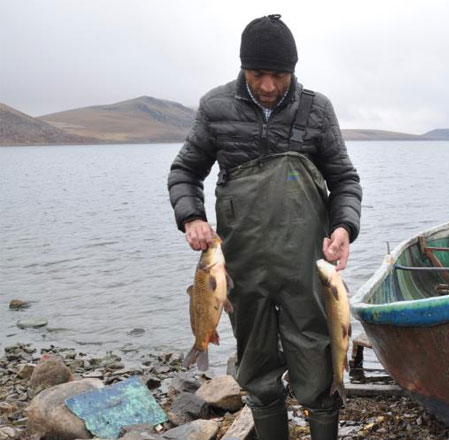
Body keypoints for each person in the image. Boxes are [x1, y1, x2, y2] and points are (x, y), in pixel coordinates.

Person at [167, 14, 362, 440]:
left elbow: (344, 179)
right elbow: (185, 171)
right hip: (242, 265)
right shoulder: (215, 107)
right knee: (256, 367)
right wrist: (192, 216)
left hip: (305, 265)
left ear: (293, 70)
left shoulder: (317, 109)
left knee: (317, 361)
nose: (269, 86)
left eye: (280, 75)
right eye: (258, 75)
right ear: (243, 68)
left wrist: (345, 226)